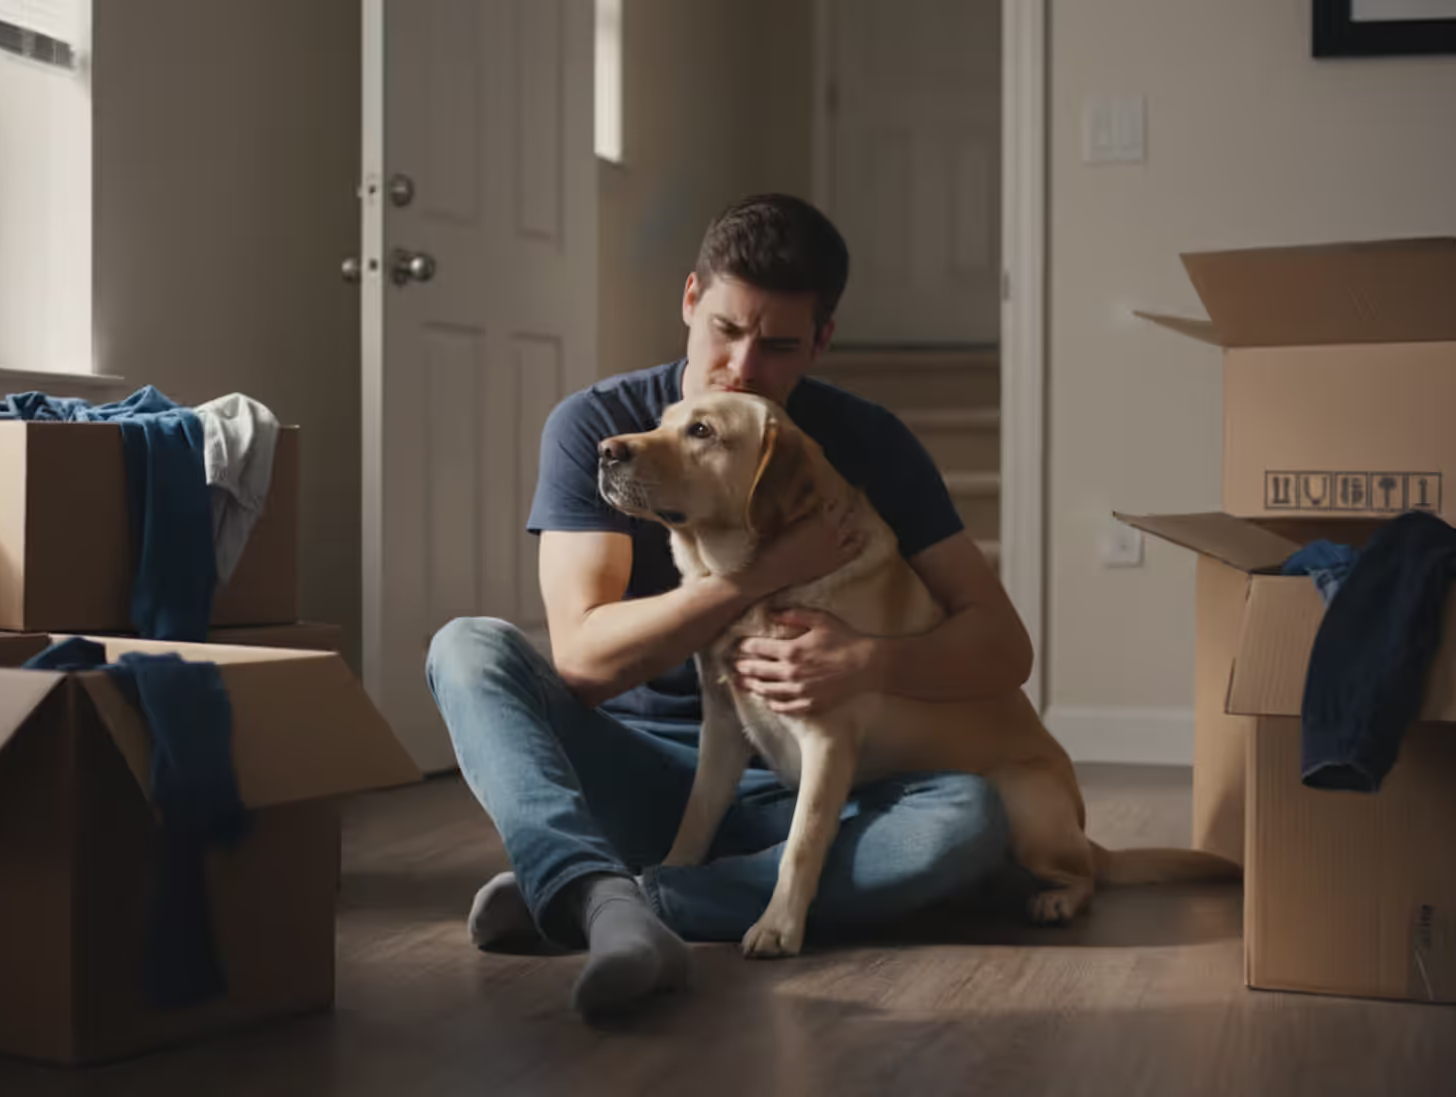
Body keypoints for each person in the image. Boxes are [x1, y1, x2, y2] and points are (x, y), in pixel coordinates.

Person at [425, 194, 1035, 1019]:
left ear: (822, 339)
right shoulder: (601, 430)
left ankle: (610, 897)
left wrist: (867, 659)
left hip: (821, 792)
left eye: (779, 344)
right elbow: (585, 661)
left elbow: (1004, 648)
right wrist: (759, 575)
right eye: (725, 328)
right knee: (467, 646)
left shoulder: (867, 445)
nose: (743, 366)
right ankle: (617, 884)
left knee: (969, 820)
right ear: (689, 300)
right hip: (643, 770)